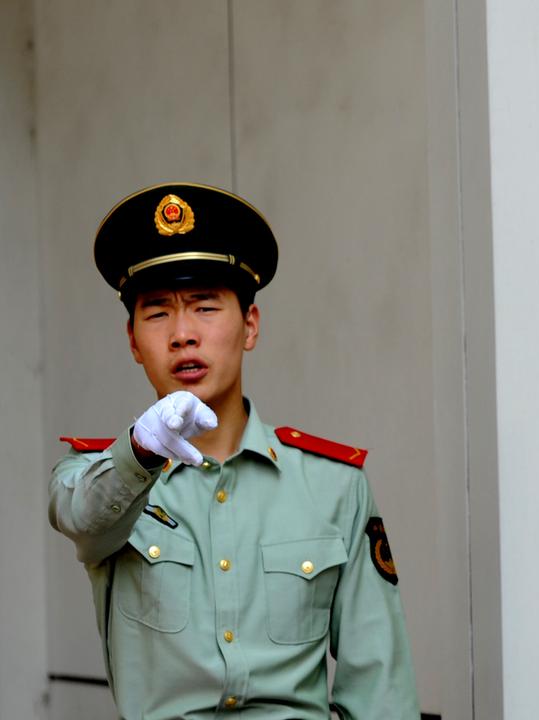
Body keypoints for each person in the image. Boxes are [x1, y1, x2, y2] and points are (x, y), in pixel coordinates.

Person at [48, 182, 420, 718]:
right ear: (132, 341)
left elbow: (381, 690)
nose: (182, 334)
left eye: (204, 307)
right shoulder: (101, 479)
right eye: (157, 314)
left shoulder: (334, 484)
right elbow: (81, 514)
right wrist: (143, 452)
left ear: (249, 326)